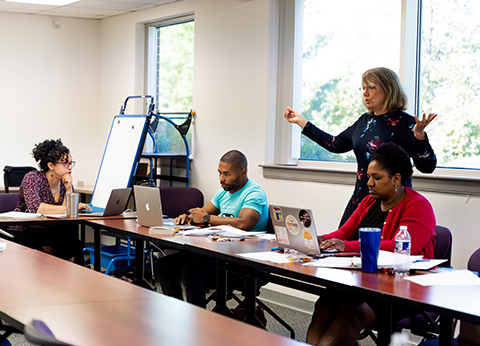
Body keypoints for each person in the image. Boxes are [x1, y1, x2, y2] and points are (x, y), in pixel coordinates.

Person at [306, 142, 436, 346]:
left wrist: (346, 246)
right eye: (368, 177)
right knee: (325, 304)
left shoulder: (418, 206)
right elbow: (345, 232)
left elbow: (400, 249)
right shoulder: (368, 202)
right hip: (364, 280)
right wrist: (317, 239)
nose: (369, 183)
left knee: (352, 313)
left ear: (396, 179)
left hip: (403, 288)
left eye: (377, 177)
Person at [284, 67, 437, 226]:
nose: (365, 93)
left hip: (392, 204)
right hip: (361, 200)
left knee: (377, 250)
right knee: (339, 246)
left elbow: (427, 167)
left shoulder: (407, 124)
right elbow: (334, 144)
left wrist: (420, 137)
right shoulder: (365, 122)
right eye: (363, 88)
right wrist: (302, 122)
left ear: (388, 89)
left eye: (371, 87)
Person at [155, 149, 269, 308]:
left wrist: (207, 218)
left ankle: (199, 325)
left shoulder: (254, 193)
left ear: (243, 172)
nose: (222, 179)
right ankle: (177, 314)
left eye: (227, 174)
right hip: (220, 252)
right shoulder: (224, 193)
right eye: (220, 173)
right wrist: (188, 218)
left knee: (192, 271)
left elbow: (244, 224)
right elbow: (202, 213)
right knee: (164, 265)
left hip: (244, 260)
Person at [9, 139, 91, 263]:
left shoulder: (66, 183)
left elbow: (66, 216)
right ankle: (65, 269)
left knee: (71, 234)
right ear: (50, 165)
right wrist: (72, 207)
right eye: (65, 163)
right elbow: (36, 209)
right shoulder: (33, 178)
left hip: (53, 230)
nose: (70, 167)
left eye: (71, 163)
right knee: (69, 241)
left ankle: (69, 273)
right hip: (28, 229)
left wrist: (69, 189)